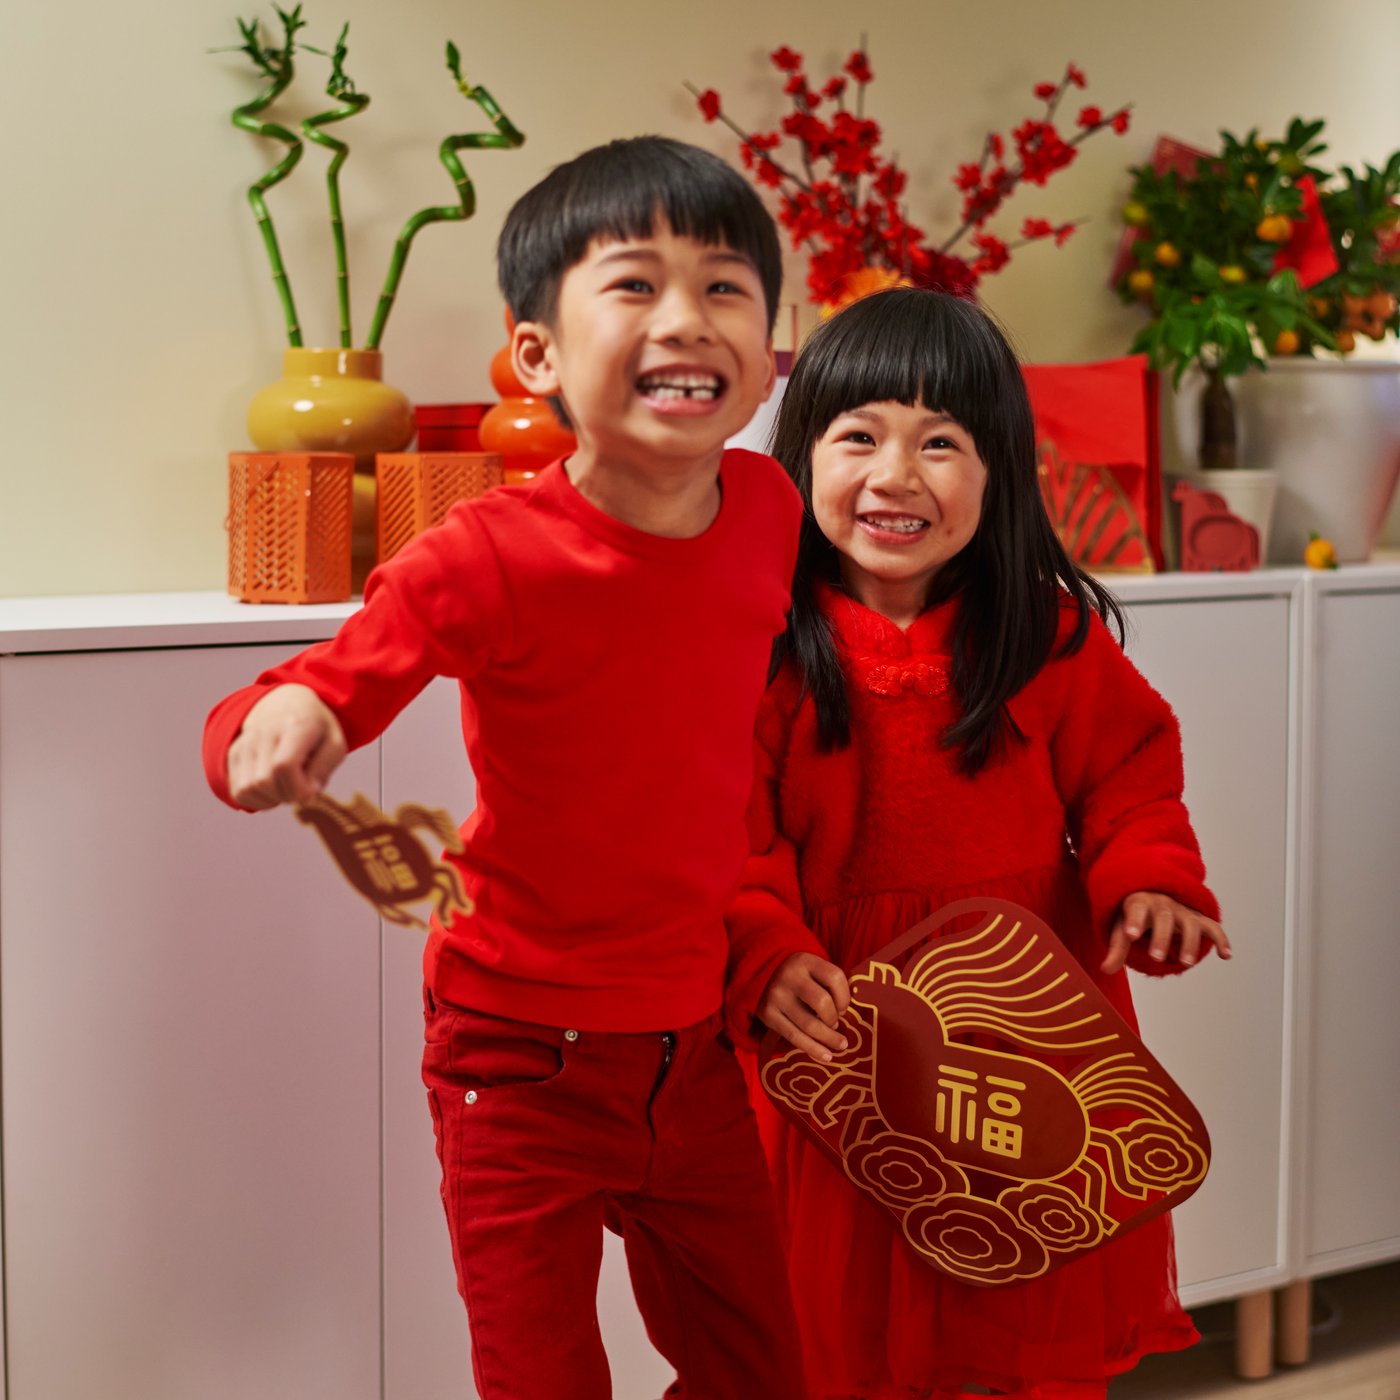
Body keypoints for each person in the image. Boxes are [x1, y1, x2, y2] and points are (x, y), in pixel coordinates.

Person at [202, 135, 808, 1400]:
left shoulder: (765, 514)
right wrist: (287, 719)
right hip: (516, 1050)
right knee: (540, 1379)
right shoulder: (488, 551)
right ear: (534, 353)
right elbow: (310, 681)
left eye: (724, 288)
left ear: (770, 345)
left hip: (693, 1049)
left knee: (759, 1366)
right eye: (633, 285)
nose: (684, 319)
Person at [723, 287, 1232, 1400]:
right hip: (841, 1042)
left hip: (1019, 1033)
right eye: (856, 435)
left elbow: (1130, 777)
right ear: (796, 458)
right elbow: (731, 842)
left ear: (998, 472)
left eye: (939, 442)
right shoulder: (758, 646)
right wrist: (761, 950)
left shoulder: (1043, 634)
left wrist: (1151, 880)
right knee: (833, 1328)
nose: (894, 473)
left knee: (1011, 1308)